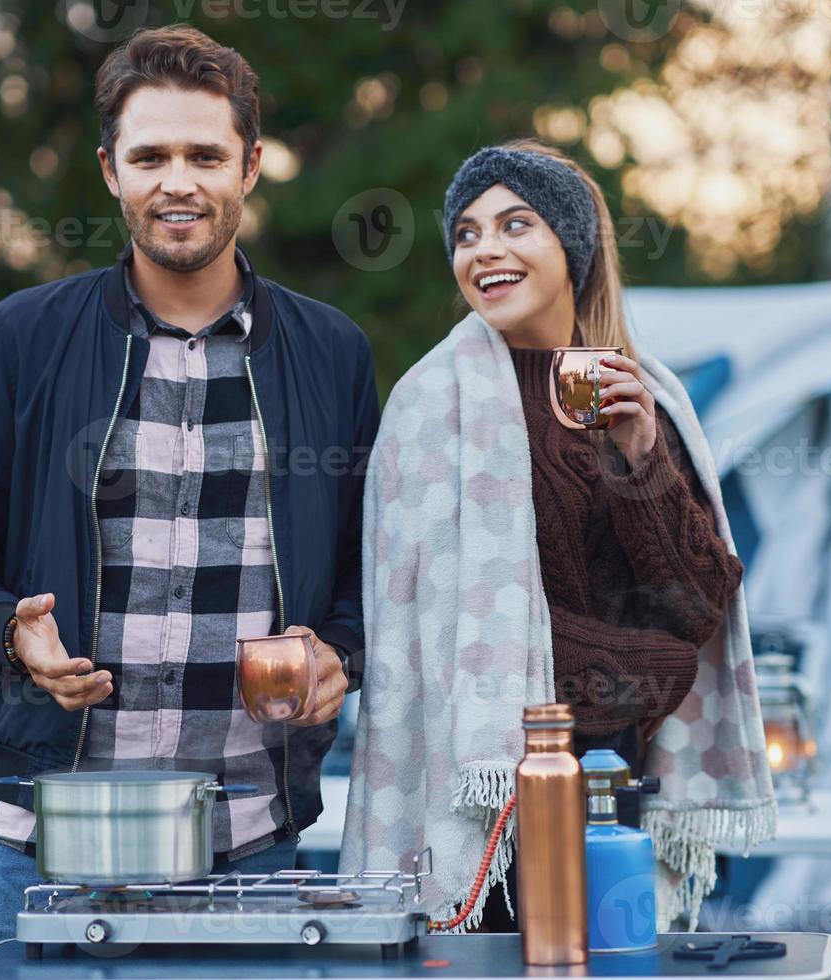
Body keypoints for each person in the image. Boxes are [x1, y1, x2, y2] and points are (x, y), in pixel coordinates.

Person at [0, 25, 378, 952]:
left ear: (251, 166)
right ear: (111, 171)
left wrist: (341, 657)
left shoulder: (332, 353)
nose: (179, 182)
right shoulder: (24, 337)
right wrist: (8, 631)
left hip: (254, 851)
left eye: (206, 154)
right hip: (47, 850)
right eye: (150, 156)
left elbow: (365, 564)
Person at [339, 140, 776, 933]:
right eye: (466, 234)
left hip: (618, 797)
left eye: (516, 224)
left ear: (571, 247)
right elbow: (430, 640)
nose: (486, 251)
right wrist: (642, 669)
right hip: (482, 800)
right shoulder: (432, 408)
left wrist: (643, 460)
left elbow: (699, 606)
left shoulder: (645, 398)